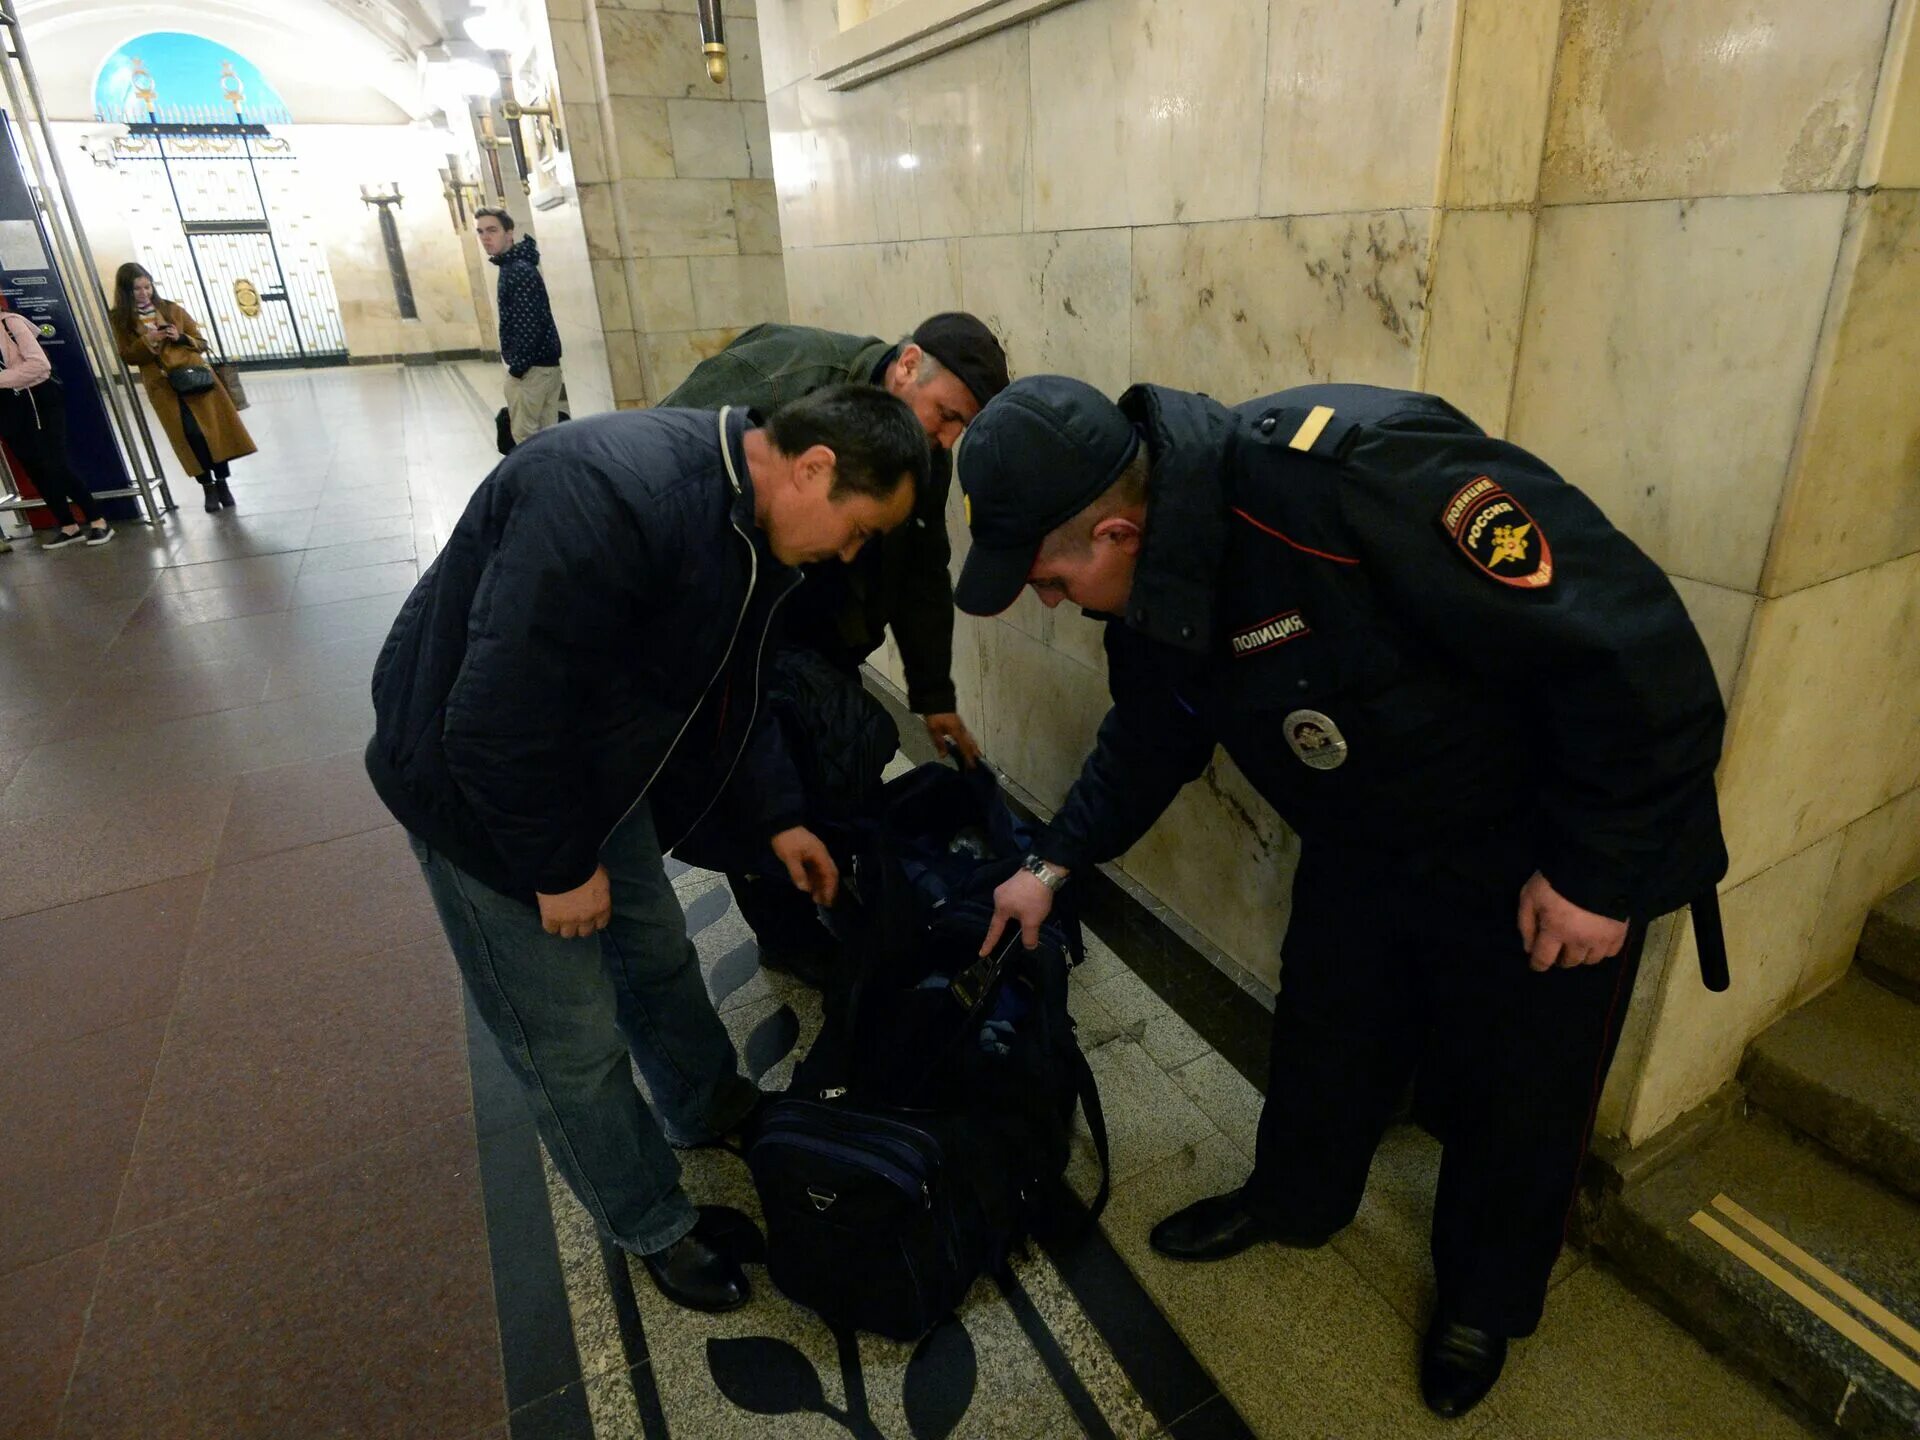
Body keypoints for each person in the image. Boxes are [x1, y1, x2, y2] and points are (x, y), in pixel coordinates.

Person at [955, 376, 1729, 1419]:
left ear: (1116, 529)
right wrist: (1052, 864)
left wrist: (1598, 873)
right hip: (1368, 838)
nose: (1047, 601)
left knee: (1521, 1093)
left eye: (1049, 579)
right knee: (1328, 1031)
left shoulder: (1357, 482)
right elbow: (1152, 732)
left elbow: (1634, 652)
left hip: (1532, 849)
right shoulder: (1156, 576)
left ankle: (1483, 1300)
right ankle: (1293, 1201)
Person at [365, 385, 928, 1313]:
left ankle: (707, 1106)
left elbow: (725, 692)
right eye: (862, 528)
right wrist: (558, 867)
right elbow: (492, 717)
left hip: (590, 764)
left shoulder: (753, 527)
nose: (854, 553)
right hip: (479, 795)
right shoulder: (607, 495)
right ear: (814, 467)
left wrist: (779, 815)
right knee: (571, 1038)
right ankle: (649, 1220)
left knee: (657, 954)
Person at [660, 314, 1009, 983]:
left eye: (962, 427)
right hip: (746, 617)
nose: (947, 439)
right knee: (760, 773)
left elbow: (921, 570)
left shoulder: (922, 448)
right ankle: (785, 933)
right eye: (947, 415)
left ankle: (823, 882)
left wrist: (933, 697)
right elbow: (675, 476)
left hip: (827, 626)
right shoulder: (780, 380)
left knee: (837, 757)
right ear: (907, 366)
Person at [110, 263, 254, 513]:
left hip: (196, 378)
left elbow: (201, 342)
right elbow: (128, 355)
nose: (144, 293)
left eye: (147, 286)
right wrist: (148, 340)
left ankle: (223, 484)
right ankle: (207, 486)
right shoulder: (120, 320)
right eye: (137, 289)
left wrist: (181, 337)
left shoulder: (172, 309)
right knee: (190, 436)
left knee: (213, 433)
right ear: (126, 291)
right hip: (165, 386)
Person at [0, 301, 112, 547]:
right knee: (35, 469)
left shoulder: (11, 323)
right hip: (7, 409)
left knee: (55, 463)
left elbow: (40, 365)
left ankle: (98, 519)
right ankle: (68, 526)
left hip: (37, 400)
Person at [475, 208, 564, 445]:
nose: (485, 237)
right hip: (544, 367)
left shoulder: (517, 271)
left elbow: (530, 324)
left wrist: (517, 369)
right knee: (548, 440)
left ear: (509, 233)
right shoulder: (518, 265)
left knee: (527, 442)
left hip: (532, 371)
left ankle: (536, 482)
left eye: (492, 230)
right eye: (481, 232)